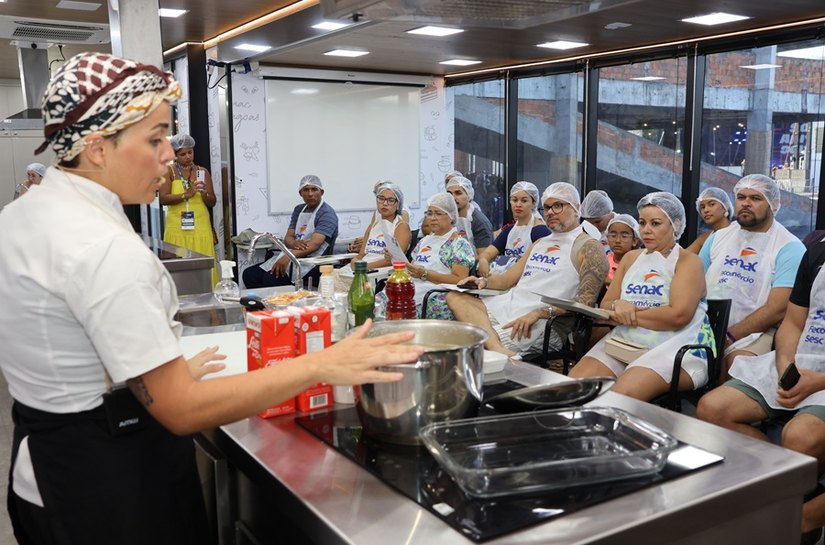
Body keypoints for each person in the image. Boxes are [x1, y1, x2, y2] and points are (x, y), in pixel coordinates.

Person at [0, 51, 423, 545]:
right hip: (109, 485)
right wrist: (321, 364)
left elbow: (60, 339)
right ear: (96, 146)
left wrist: (155, 367)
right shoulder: (100, 245)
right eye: (155, 139)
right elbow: (181, 410)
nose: (169, 156)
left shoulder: (22, 215)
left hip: (43, 471)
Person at [696, 239, 825, 543]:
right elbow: (793, 322)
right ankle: (786, 484)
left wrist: (818, 381)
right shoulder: (818, 252)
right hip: (799, 360)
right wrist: (786, 366)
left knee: (800, 436)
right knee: (712, 409)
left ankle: (794, 503)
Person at [569, 192, 714, 402]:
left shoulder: (689, 262)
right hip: (627, 341)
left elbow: (678, 316)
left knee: (621, 397)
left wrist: (626, 313)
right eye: (642, 222)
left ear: (675, 225)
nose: (646, 230)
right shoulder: (630, 258)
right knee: (574, 385)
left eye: (655, 223)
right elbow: (608, 304)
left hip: (679, 347)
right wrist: (619, 304)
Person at [446, 182, 608, 357]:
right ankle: (496, 347)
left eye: (558, 205)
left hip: (542, 322)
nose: (550, 212)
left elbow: (586, 304)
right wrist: (482, 282)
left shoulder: (589, 247)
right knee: (455, 297)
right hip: (509, 306)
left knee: (466, 344)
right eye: (546, 207)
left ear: (576, 208)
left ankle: (493, 346)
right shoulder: (540, 243)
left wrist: (539, 313)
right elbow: (506, 281)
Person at [699, 174, 805, 379]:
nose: (746, 203)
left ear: (773, 204)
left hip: (757, 333)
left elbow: (777, 310)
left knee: (737, 367)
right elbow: (695, 285)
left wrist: (727, 337)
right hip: (705, 325)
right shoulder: (718, 237)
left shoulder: (789, 247)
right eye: (741, 197)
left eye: (755, 198)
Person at [376, 192, 474, 319]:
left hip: (436, 292)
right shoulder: (424, 241)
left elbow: (460, 279)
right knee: (379, 300)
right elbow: (412, 268)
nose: (432, 218)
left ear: (451, 216)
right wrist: (396, 259)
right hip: (415, 286)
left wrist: (425, 274)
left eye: (438, 213)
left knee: (399, 307)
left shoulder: (459, 244)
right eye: (429, 213)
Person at [242, 174, 339, 288]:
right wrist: (293, 243)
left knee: (270, 279)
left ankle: (280, 304)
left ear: (321, 192)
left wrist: (288, 257)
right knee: (249, 275)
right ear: (300, 193)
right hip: (293, 254)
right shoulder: (299, 210)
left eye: (314, 189)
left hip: (312, 263)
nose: (310, 194)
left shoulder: (327, 214)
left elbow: (314, 245)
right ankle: (264, 305)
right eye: (306, 190)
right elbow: (288, 238)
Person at [159, 133, 219, 285]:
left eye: (190, 152)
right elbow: (163, 199)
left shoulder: (201, 172)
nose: (187, 157)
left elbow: (212, 202)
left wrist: (204, 193)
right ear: (174, 155)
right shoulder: (169, 171)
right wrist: (187, 194)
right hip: (177, 229)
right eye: (182, 154)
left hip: (200, 228)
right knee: (179, 269)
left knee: (204, 267)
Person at [475, 181, 551, 277]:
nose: (518, 204)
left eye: (524, 201)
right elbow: (488, 253)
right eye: (514, 200)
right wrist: (483, 260)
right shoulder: (509, 231)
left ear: (533, 204)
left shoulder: (541, 232)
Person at [346, 180, 410, 253]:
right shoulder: (377, 212)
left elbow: (399, 247)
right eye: (381, 198)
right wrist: (361, 243)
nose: (384, 203)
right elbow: (372, 233)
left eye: (390, 199)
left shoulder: (402, 215)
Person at [445, 175, 493, 255]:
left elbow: (483, 257)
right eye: (449, 194)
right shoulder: (446, 217)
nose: (453, 197)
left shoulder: (480, 222)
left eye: (458, 193)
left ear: (469, 195)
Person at [685, 187, 733, 254]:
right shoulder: (705, 238)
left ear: (726, 206)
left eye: (712, 204)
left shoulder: (736, 233)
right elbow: (681, 257)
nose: (706, 210)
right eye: (702, 207)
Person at [605, 213, 640, 286]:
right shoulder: (603, 262)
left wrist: (608, 281)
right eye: (613, 236)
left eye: (624, 236)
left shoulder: (638, 264)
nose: (617, 240)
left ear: (634, 241)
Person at [580, 189, 616, 253]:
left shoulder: (625, 226)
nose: (595, 226)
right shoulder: (585, 230)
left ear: (609, 213)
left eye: (598, 221)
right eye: (590, 223)